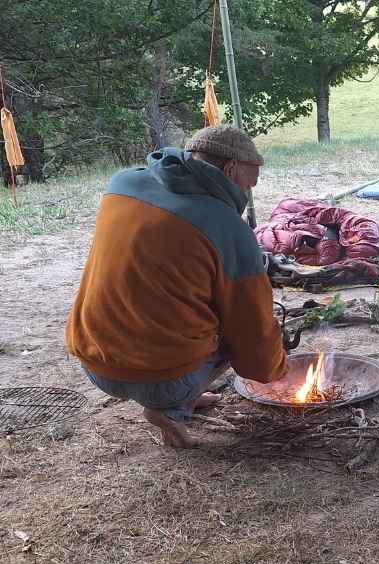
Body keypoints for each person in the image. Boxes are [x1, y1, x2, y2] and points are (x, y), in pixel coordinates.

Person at [66, 124, 288, 448]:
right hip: (158, 381)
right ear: (230, 169)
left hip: (94, 362)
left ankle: (184, 392)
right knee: (236, 334)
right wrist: (279, 369)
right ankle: (173, 406)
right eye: (249, 182)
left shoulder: (122, 184)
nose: (248, 191)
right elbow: (253, 334)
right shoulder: (228, 228)